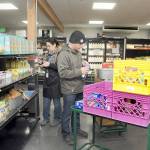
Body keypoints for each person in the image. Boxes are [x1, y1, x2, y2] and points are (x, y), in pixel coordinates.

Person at [57, 31, 89, 145]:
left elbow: (77, 68)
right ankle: (65, 133)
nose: (82, 46)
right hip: (69, 89)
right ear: (74, 42)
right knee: (67, 112)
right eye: (80, 44)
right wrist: (80, 71)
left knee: (77, 111)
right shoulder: (63, 54)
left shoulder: (78, 53)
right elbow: (63, 73)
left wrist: (84, 66)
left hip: (79, 87)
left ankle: (76, 129)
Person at [40, 37, 62, 127]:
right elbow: (46, 65)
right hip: (47, 81)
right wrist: (42, 65)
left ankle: (58, 118)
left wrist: (50, 64)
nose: (47, 48)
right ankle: (45, 118)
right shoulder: (47, 54)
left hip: (56, 82)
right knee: (46, 102)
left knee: (56, 103)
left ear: (54, 45)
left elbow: (61, 68)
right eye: (47, 46)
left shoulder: (60, 55)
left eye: (49, 46)